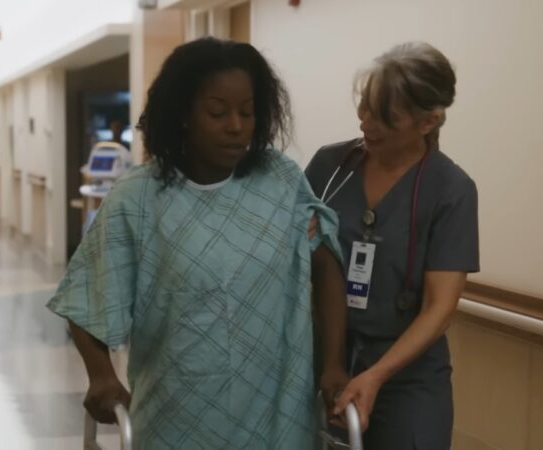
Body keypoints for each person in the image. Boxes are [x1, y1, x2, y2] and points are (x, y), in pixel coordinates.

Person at [48, 37, 350, 449]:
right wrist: (101, 374)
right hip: (175, 417)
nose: (236, 126)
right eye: (217, 112)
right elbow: (87, 294)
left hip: (275, 418)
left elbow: (327, 263)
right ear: (185, 114)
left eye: (247, 112)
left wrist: (333, 363)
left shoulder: (280, 181)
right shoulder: (139, 198)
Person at [305, 42, 479, 450]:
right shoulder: (331, 169)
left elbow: (440, 308)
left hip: (406, 375)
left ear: (427, 122)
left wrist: (377, 375)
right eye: (364, 107)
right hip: (322, 356)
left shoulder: (451, 190)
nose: (366, 123)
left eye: (386, 118)